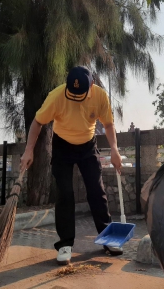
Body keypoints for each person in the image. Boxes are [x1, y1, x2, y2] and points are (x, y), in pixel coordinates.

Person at [20, 66, 123, 265]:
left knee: (97, 191)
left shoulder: (100, 96)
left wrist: (114, 149)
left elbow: (109, 124)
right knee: (65, 194)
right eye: (72, 93)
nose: (75, 98)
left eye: (80, 94)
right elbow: (37, 122)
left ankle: (108, 239)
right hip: (62, 146)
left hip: (88, 145)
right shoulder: (56, 95)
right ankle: (65, 244)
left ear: (91, 86)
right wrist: (28, 150)